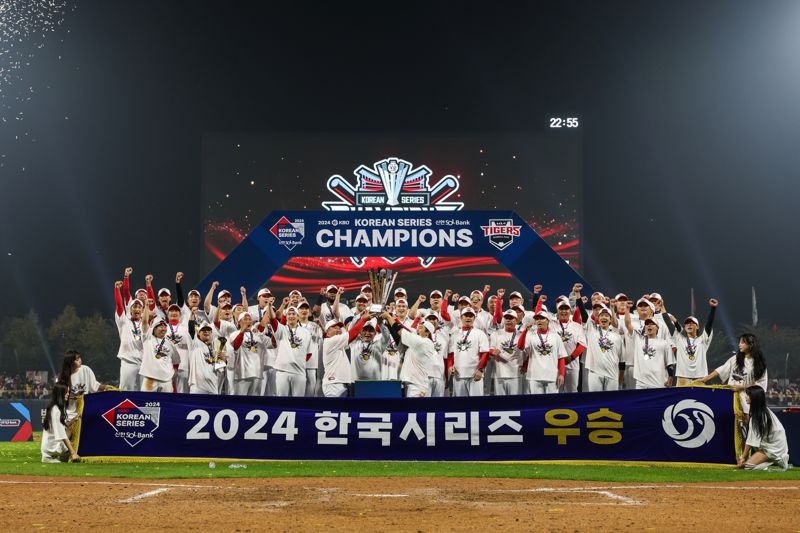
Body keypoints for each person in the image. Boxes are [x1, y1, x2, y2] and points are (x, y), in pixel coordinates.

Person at [697, 333, 768, 418]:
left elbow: (760, 385)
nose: (739, 345)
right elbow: (721, 369)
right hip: (730, 396)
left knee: (747, 420)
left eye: (742, 342)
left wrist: (741, 387)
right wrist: (705, 379)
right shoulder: (735, 358)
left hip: (747, 398)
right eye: (739, 342)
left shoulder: (759, 364)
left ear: (751, 344)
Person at [665, 299, 717, 386]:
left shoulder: (702, 340)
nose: (689, 325)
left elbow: (709, 325)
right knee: (681, 400)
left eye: (692, 323)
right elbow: (669, 323)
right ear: (684, 327)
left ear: (697, 327)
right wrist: (676, 322)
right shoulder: (679, 339)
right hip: (682, 378)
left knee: (700, 399)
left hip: (700, 378)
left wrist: (713, 309)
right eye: (687, 323)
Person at [384, 311, 435, 397]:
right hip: (411, 384)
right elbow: (398, 339)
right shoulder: (414, 345)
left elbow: (401, 331)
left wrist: (389, 318)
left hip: (418, 386)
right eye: (418, 327)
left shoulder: (425, 342)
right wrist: (389, 324)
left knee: (416, 410)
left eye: (421, 328)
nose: (418, 329)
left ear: (428, 332)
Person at [738, 385, 790, 471]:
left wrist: (743, 457)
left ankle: (778, 460)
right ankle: (774, 460)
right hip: (775, 445)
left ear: (754, 397)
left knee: (747, 467)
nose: (745, 396)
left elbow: (751, 440)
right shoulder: (762, 411)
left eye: (748, 395)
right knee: (748, 465)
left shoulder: (758, 416)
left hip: (773, 448)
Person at [518, 311, 568, 394]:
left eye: (541, 318)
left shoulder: (556, 337)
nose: (539, 321)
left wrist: (561, 374)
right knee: (537, 404)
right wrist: (525, 331)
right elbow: (520, 347)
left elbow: (561, 357)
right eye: (537, 319)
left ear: (547, 320)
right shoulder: (531, 335)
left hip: (552, 376)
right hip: (534, 376)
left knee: (552, 404)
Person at [322, 310, 369, 397]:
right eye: (335, 327)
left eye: (339, 328)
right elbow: (352, 334)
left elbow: (350, 330)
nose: (338, 329)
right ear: (327, 332)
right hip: (334, 384)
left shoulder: (339, 344)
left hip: (339, 383)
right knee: (335, 410)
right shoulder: (330, 341)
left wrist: (358, 317)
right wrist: (363, 320)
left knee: (341, 410)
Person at [57, 350, 109, 425]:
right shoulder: (64, 377)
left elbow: (94, 386)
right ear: (70, 362)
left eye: (80, 358)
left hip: (85, 411)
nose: (80, 360)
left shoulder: (86, 369)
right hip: (70, 412)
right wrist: (73, 397)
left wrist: (108, 387)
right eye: (77, 359)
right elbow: (61, 397)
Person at [447, 307, 490, 396]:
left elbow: (485, 353)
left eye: (471, 316)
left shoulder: (480, 333)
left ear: (474, 318)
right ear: (461, 317)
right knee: (460, 406)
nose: (468, 318)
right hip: (458, 375)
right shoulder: (455, 335)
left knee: (476, 405)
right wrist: (450, 365)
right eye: (466, 315)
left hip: (474, 375)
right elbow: (451, 353)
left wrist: (480, 370)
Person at [272, 306, 312, 396]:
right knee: (282, 401)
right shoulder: (282, 329)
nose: (291, 316)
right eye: (289, 314)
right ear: (286, 317)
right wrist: (270, 306)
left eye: (293, 314)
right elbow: (272, 320)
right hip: (282, 371)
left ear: (298, 316)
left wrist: (297, 361)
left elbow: (308, 354)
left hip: (299, 372)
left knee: (298, 403)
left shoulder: (306, 332)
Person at [584, 305, 625, 391]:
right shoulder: (591, 332)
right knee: (595, 401)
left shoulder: (617, 337)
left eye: (606, 316)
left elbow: (622, 359)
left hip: (612, 374)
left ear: (610, 319)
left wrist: (621, 375)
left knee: (611, 402)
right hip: (595, 373)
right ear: (598, 319)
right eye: (601, 315)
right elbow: (584, 315)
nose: (604, 317)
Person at [139, 306, 180, 392]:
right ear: (154, 329)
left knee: (167, 404)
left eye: (165, 326)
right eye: (160, 326)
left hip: (166, 381)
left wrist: (173, 373)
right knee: (147, 403)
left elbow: (176, 361)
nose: (164, 328)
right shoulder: (148, 338)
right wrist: (146, 306)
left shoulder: (170, 343)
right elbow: (144, 322)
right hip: (150, 379)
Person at [113, 280, 144, 391]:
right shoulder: (124, 321)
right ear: (130, 310)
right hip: (128, 361)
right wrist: (117, 289)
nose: (137, 309)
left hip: (144, 362)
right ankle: (124, 409)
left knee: (144, 392)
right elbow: (119, 305)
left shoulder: (145, 324)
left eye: (139, 307)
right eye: (134, 307)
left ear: (142, 310)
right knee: (126, 390)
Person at [41, 383, 80, 463]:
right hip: (51, 448)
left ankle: (51, 456)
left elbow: (63, 428)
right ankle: (52, 457)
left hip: (48, 446)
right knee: (74, 444)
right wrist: (73, 453)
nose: (68, 394)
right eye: (67, 392)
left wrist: (73, 420)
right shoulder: (56, 411)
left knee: (70, 428)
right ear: (60, 394)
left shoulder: (54, 407)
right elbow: (63, 435)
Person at [488, 310, 525, 395]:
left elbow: (526, 353)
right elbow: (490, 349)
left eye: (511, 318)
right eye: (506, 318)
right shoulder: (495, 334)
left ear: (516, 320)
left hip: (516, 373)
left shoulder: (521, 335)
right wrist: (493, 352)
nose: (508, 320)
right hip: (499, 373)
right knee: (500, 404)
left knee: (515, 403)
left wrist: (525, 365)